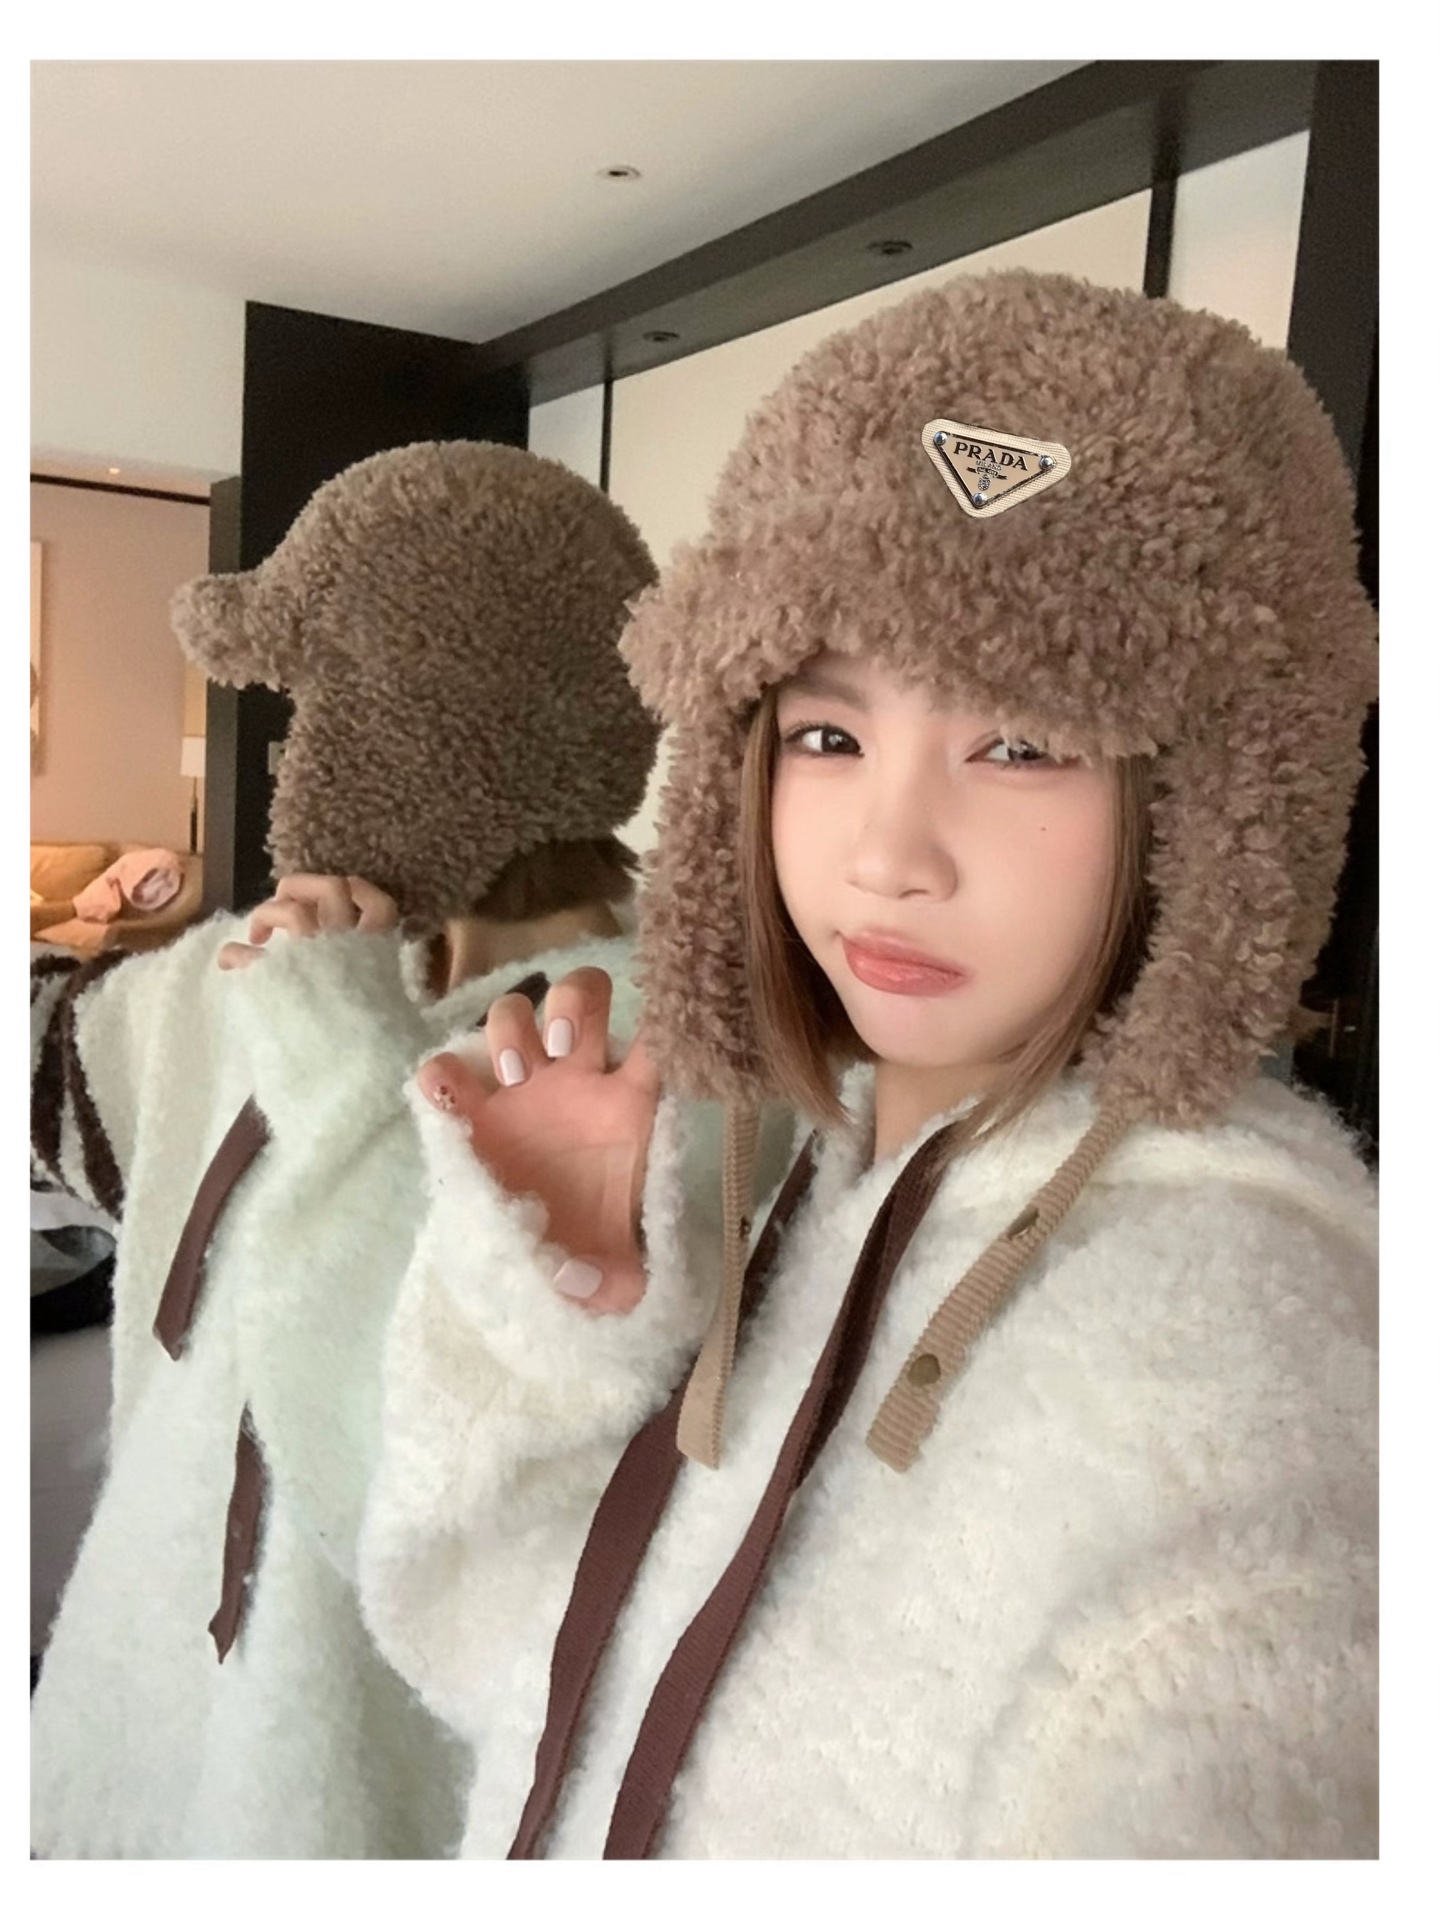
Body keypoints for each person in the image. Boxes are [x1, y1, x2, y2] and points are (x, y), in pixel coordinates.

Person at [347, 272, 1378, 1857]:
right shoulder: (820, 1183)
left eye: (1021, 744)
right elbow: (514, 1671)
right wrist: (559, 1325)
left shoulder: (1237, 1366)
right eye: (828, 737)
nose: (890, 856)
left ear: (1212, 805)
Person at [29, 440, 660, 1858]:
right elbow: (65, 1066)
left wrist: (336, 1041)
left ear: (413, 726)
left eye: (317, 709)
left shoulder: (651, 1050)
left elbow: (430, 1439)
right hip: (144, 1713)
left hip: (356, 1788)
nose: (293, 761)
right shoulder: (280, 968)